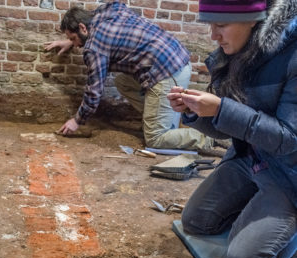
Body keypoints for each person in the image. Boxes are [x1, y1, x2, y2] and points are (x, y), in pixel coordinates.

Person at [168, 0, 297, 258]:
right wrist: (197, 113)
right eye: (211, 24)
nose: (213, 35)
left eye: (221, 25)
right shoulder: (237, 52)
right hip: (250, 158)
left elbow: (290, 140)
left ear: (253, 20)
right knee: (196, 222)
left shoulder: (294, 55)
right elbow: (229, 126)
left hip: (289, 173)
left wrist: (222, 108)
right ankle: (259, 211)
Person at [44, 1, 213, 151]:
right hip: (175, 58)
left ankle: (209, 138)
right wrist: (71, 41)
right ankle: (161, 116)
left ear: (82, 28)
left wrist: (76, 121)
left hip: (167, 73)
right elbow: (117, 7)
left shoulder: (93, 48)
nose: (76, 45)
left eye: (74, 39)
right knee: (122, 82)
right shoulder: (105, 11)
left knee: (155, 139)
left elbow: (93, 93)